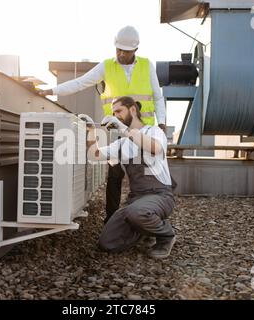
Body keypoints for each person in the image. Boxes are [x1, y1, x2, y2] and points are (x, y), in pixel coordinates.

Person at [38, 26, 167, 224]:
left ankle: (148, 221)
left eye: (126, 51)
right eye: (118, 50)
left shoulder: (146, 65)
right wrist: (50, 91)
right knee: (115, 174)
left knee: (144, 177)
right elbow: (80, 83)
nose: (121, 54)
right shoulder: (106, 66)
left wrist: (162, 125)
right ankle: (111, 220)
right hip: (116, 132)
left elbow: (158, 97)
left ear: (135, 50)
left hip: (142, 131)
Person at [86, 96, 176, 259]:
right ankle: (145, 230)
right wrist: (91, 130)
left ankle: (166, 236)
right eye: (114, 113)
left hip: (160, 195)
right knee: (107, 243)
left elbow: (155, 148)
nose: (116, 115)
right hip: (136, 199)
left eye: (119, 111)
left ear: (133, 110)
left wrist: (123, 129)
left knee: (137, 212)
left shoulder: (154, 131)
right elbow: (95, 155)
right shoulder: (122, 143)